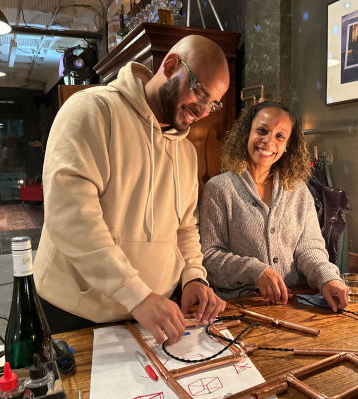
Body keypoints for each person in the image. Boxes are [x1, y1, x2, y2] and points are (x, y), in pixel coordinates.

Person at [33, 35, 229, 345]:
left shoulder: (186, 152)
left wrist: (193, 276)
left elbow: (185, 228)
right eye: (200, 92)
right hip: (77, 313)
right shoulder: (92, 110)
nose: (203, 110)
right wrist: (137, 295)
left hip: (152, 313)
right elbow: (72, 219)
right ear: (170, 64)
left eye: (213, 103)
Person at [199, 101, 349, 312]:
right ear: (246, 134)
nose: (269, 141)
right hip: (238, 308)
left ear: (288, 145)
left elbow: (309, 249)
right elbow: (209, 257)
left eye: (280, 136)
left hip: (292, 306)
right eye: (262, 130)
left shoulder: (298, 190)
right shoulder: (220, 188)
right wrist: (255, 271)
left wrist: (327, 278)